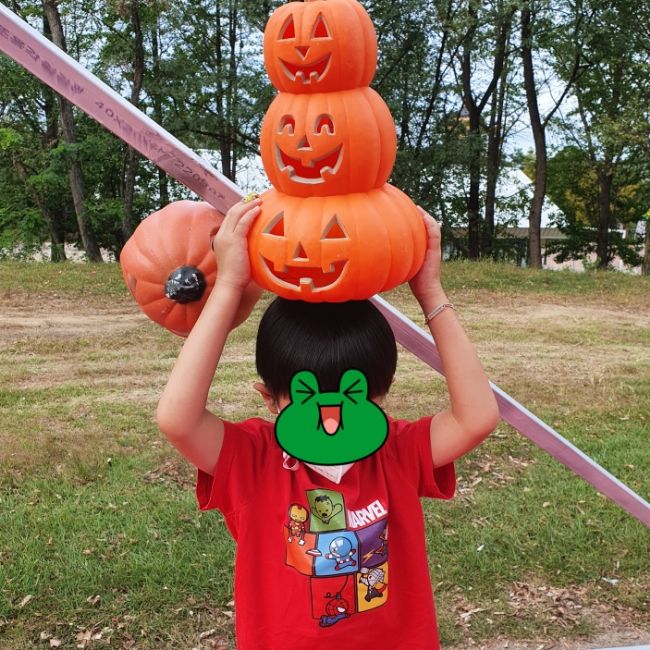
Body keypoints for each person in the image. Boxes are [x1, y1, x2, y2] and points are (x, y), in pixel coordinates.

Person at [156, 197, 500, 649]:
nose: (333, 424)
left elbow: (477, 417)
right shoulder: (254, 459)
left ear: (382, 396)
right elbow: (177, 420)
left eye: (356, 402)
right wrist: (227, 288)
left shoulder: (395, 450)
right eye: (306, 404)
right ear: (269, 400)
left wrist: (431, 293)